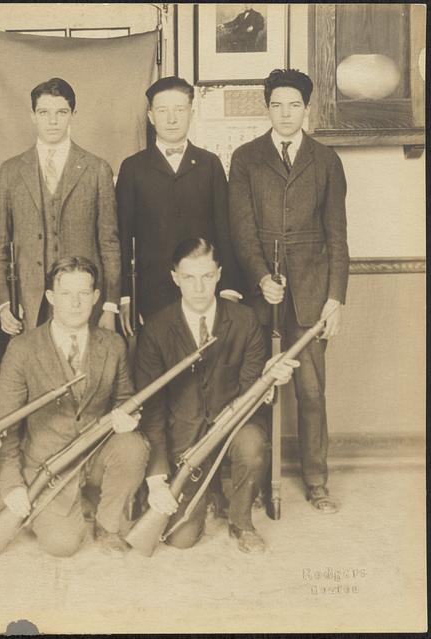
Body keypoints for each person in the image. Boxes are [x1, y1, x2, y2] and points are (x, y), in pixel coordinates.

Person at [228, 69, 349, 514]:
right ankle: (257, 478)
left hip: (313, 295)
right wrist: (261, 277)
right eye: (276, 104)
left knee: (312, 392)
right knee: (258, 387)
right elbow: (241, 229)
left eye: (294, 104)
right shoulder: (245, 158)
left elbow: (337, 234)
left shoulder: (326, 159)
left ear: (307, 108)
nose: (285, 113)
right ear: (267, 107)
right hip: (262, 295)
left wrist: (335, 298)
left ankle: (317, 481)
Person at [135, 238, 298, 553]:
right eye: (189, 278)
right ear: (174, 278)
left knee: (253, 444)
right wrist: (157, 476)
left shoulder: (245, 319)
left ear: (219, 274)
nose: (198, 287)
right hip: (183, 444)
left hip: (233, 429)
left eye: (207, 276)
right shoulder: (156, 328)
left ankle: (241, 521)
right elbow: (152, 410)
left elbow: (251, 393)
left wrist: (269, 383)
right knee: (181, 540)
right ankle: (207, 495)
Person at [0, 256, 148, 557]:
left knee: (133, 447)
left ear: (96, 297)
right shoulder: (22, 348)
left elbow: (124, 400)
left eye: (83, 294)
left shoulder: (113, 344)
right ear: (51, 297)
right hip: (47, 465)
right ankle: (60, 505)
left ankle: (107, 524)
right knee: (62, 545)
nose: (75, 303)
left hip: (96, 455)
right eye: (66, 294)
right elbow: (5, 425)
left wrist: (130, 418)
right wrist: (12, 485)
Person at [0, 78, 121, 336]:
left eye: (61, 112)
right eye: (44, 113)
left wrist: (110, 305)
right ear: (32, 116)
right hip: (27, 303)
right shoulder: (10, 171)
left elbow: (109, 242)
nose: (52, 121)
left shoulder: (97, 169)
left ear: (73, 114)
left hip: (82, 301)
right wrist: (5, 303)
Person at [116, 76, 241, 335]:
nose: (171, 119)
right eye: (163, 111)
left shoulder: (210, 164)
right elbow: (123, 236)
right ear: (151, 116)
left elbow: (225, 230)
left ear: (191, 113)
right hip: (151, 294)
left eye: (179, 110)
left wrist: (228, 287)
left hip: (204, 290)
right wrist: (126, 297)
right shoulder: (133, 167)